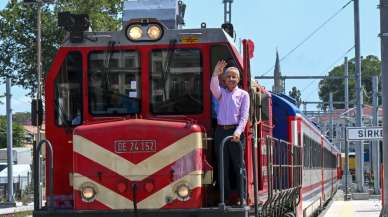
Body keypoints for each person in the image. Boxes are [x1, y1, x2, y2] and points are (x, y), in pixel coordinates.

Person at [210, 60, 250, 205]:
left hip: (235, 132)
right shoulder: (221, 94)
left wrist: (238, 132)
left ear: (238, 79)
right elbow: (213, 87)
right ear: (224, 80)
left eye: (234, 77)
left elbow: (244, 116)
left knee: (239, 166)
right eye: (228, 77)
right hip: (221, 131)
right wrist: (216, 73)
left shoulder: (243, 95)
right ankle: (224, 198)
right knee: (223, 165)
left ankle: (242, 197)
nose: (231, 79)